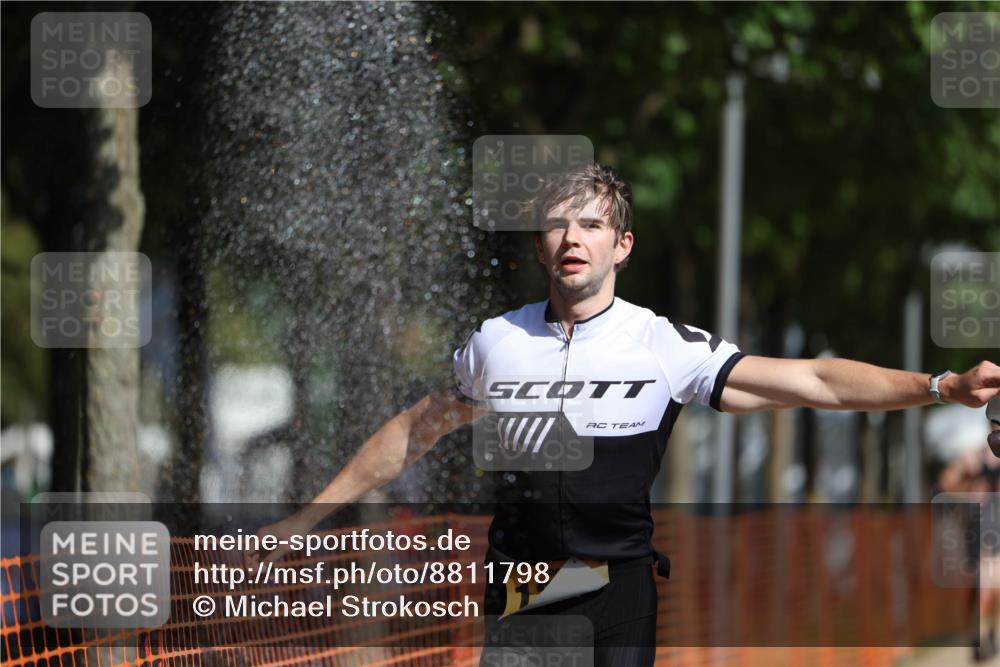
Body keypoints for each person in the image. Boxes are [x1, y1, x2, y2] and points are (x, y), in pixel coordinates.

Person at [248, 163, 1000, 666]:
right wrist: (302, 521)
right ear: (541, 243)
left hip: (620, 589)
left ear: (623, 245)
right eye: (557, 223)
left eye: (591, 224)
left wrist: (940, 385)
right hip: (525, 583)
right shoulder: (495, 342)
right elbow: (413, 431)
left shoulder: (662, 344)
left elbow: (815, 381)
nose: (572, 237)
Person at [938, 397, 1000, 662]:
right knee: (984, 584)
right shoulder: (975, 456)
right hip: (981, 521)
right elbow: (947, 481)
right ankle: (979, 633)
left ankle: (986, 631)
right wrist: (969, 486)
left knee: (992, 585)